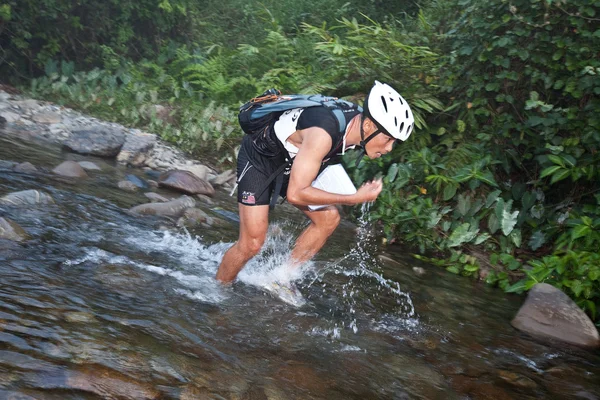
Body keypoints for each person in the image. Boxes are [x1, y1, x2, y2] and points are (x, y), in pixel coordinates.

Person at [216, 81, 414, 283]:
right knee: (252, 244)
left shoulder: (355, 123)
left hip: (296, 159)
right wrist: (352, 198)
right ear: (369, 125)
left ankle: (281, 279)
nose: (389, 148)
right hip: (261, 158)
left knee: (328, 218)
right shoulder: (323, 133)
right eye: (388, 139)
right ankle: (219, 290)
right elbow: (296, 194)